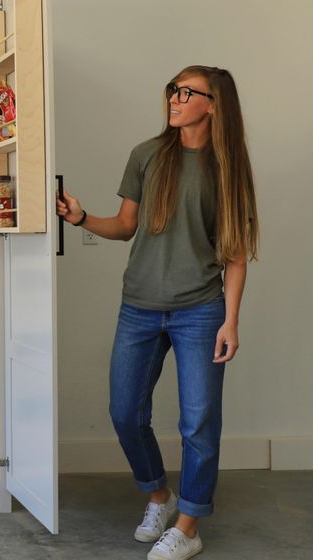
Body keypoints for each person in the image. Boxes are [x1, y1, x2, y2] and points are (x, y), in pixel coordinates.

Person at [57, 66, 258, 559]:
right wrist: (81, 218)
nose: (175, 98)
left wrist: (231, 320)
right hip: (140, 307)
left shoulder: (228, 168)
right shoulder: (146, 155)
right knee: (125, 412)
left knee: (199, 423)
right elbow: (126, 226)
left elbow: (234, 254)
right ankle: (159, 497)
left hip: (200, 310)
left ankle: (188, 526)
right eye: (173, 89)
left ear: (212, 105)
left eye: (187, 92)